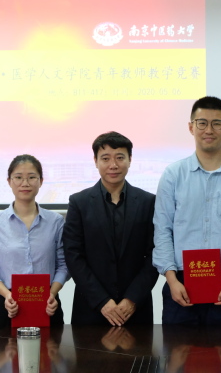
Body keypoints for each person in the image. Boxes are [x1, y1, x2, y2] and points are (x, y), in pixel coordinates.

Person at [152, 96, 221, 325]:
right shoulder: (173, 175)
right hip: (180, 284)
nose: (209, 130)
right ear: (191, 127)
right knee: (176, 348)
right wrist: (172, 281)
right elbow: (162, 230)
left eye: (217, 123)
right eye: (202, 123)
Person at [62, 131, 158, 326]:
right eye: (105, 158)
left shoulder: (148, 202)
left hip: (135, 309)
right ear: (95, 161)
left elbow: (155, 254)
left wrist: (131, 299)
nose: (113, 165)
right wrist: (102, 301)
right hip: (91, 309)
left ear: (130, 160)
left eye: (120, 158)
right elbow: (73, 255)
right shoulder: (79, 202)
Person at [0, 154, 70, 333]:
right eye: (18, 177)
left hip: (48, 305)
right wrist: (7, 295)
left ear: (41, 181)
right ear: (9, 181)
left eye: (31, 177)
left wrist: (51, 294)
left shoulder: (56, 221)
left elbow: (64, 265)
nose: (25, 183)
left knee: (51, 351)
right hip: (9, 306)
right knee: (6, 351)